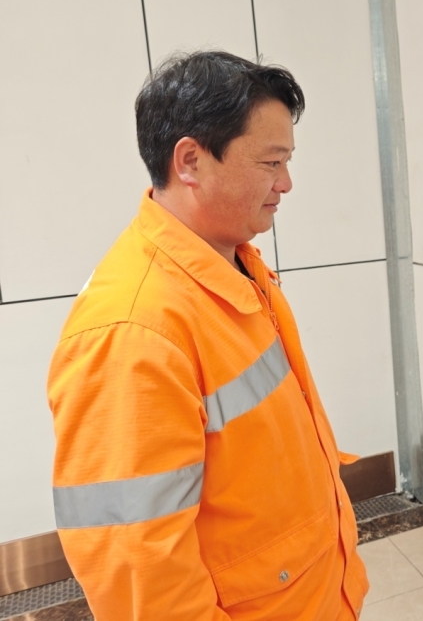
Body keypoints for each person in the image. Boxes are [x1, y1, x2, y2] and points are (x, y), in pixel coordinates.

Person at [47, 51, 368, 620]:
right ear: (191, 161)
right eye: (271, 163)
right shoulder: (132, 334)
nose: (286, 183)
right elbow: (145, 580)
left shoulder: (232, 262)